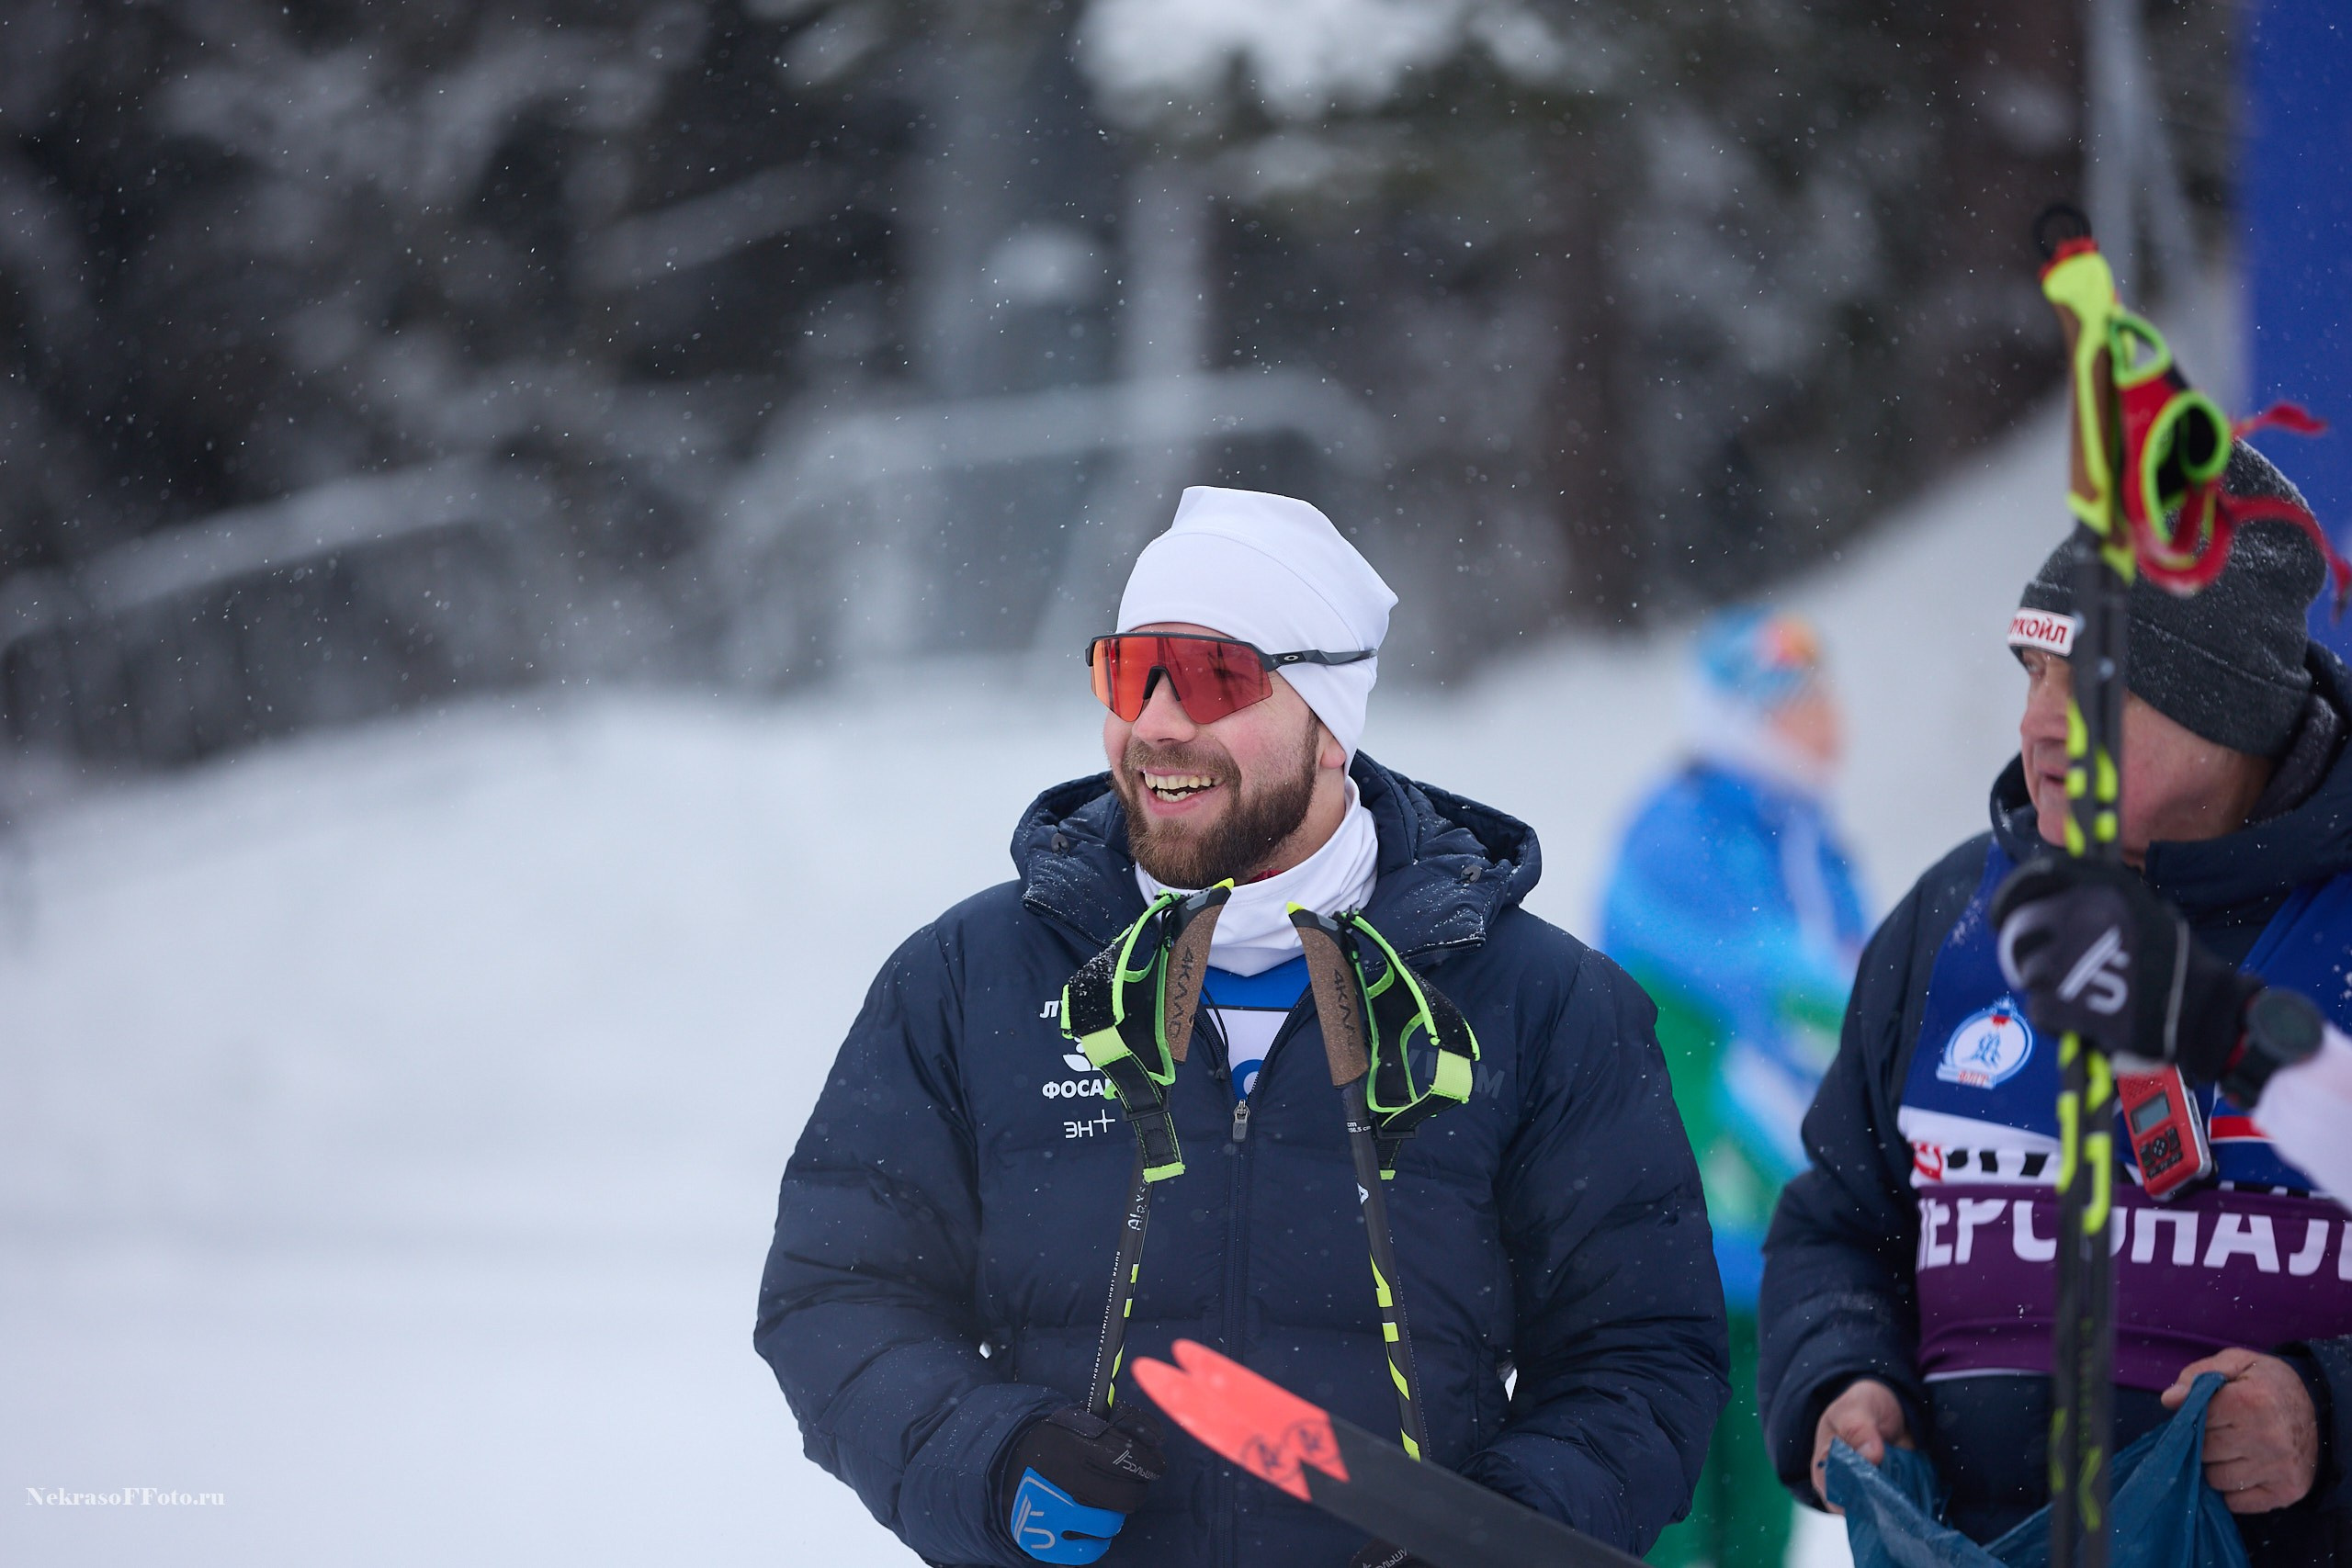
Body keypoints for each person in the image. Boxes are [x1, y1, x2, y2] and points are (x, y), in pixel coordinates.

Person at [757, 486, 1728, 1568]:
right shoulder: (969, 977)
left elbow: (1643, 1353)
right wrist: (988, 1458)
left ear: (1329, 727)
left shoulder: (1537, 1001)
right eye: (1130, 673)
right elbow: (836, 1293)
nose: (1159, 723)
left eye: (1218, 677)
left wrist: (1494, 1529)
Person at [1758, 445, 2352, 1562]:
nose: (2039, 725)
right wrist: (1844, 1377)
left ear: (2225, 710)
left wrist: (2328, 1416)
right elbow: (1838, 1223)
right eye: (2031, 675)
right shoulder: (1951, 922)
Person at [1601, 607, 1870, 1568]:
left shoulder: (1813, 842)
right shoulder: (1678, 828)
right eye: (1795, 700)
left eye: (1822, 691)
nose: (1825, 716)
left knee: (1759, 1516)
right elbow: (1788, 986)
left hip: (1770, 1243)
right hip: (1669, 1239)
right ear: (1740, 715)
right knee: (1668, 1518)